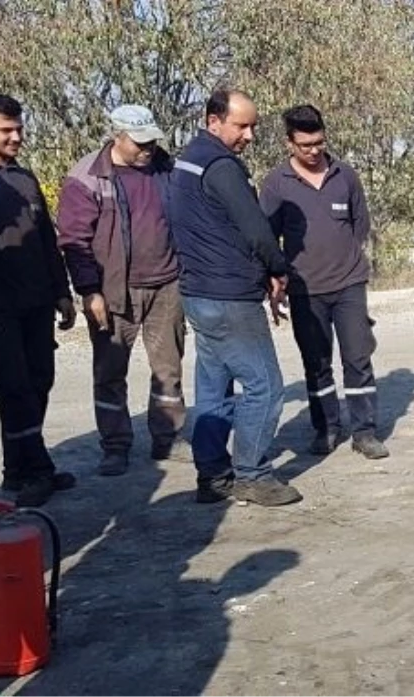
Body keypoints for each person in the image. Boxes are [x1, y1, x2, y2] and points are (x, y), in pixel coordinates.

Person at [167, 89, 301, 506]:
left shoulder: (185, 162)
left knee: (214, 389)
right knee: (265, 385)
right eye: (241, 125)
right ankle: (252, 474)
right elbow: (256, 228)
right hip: (229, 297)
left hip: (198, 291)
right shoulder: (222, 166)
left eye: (253, 125)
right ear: (213, 121)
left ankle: (212, 476)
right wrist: (278, 269)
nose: (250, 134)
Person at [57, 105, 190, 477]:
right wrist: (89, 291)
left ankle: (169, 437)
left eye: (152, 140)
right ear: (117, 135)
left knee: (168, 368)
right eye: (140, 142)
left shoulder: (168, 169)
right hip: (114, 292)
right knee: (110, 373)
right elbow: (74, 240)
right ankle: (115, 446)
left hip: (167, 285)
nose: (148, 148)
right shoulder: (86, 177)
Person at [259, 105, 388, 459]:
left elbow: (360, 225)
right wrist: (277, 280)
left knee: (358, 358)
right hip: (304, 290)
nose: (313, 150)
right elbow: (267, 238)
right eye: (304, 145)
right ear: (289, 143)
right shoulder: (275, 184)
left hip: (349, 284)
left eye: (318, 142)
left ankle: (365, 432)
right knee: (316, 363)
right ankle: (326, 428)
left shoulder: (345, 175)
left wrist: (345, 258)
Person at [0, 93, 78, 507]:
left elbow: (47, 241)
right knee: (13, 388)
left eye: (19, 128)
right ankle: (34, 470)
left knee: (39, 381)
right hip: (0, 310)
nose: (16, 136)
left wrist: (62, 293)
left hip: (38, 303)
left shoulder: (25, 180)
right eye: (6, 130)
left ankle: (21, 468)